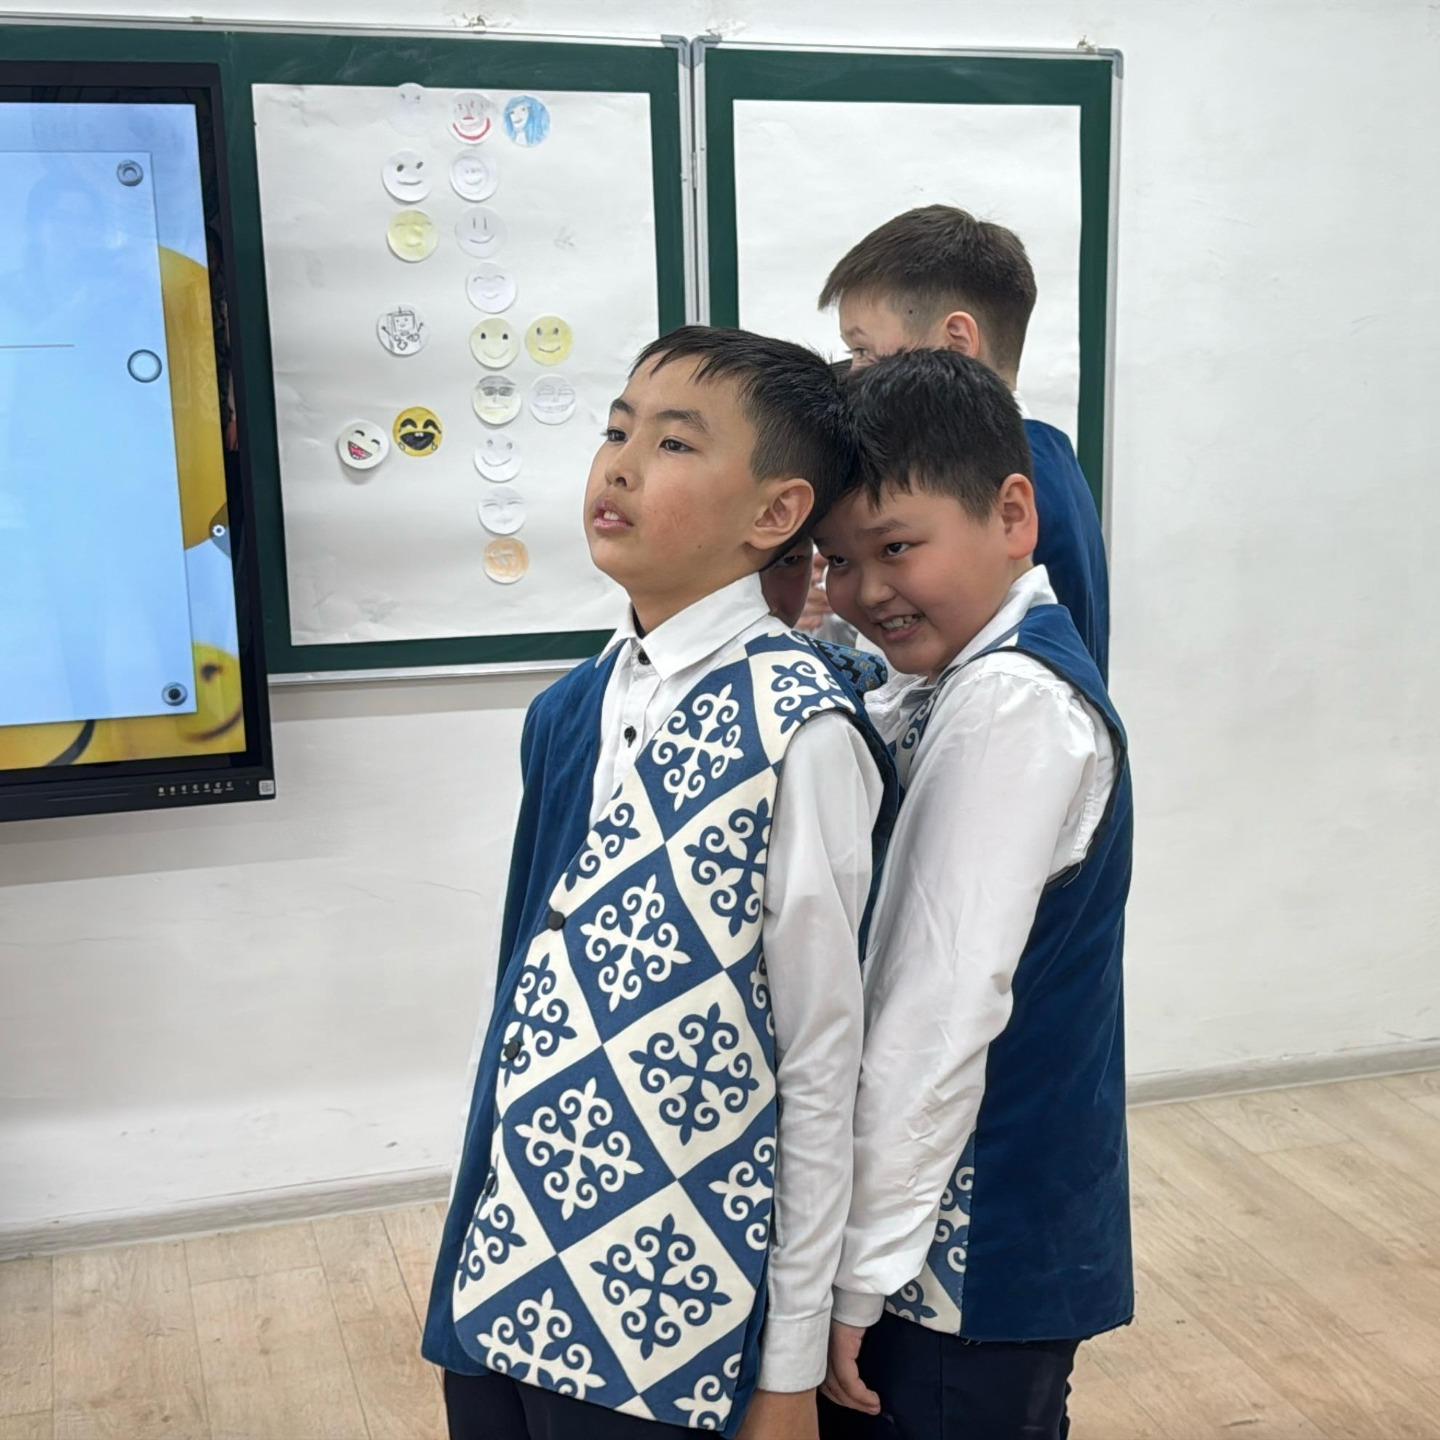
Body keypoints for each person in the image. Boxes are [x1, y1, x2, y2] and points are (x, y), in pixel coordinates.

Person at [423, 326, 897, 1440]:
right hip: (505, 1263)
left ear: (776, 513)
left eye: (676, 443)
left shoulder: (801, 730)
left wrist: (789, 1367)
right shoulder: (575, 706)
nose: (623, 466)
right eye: (617, 431)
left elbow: (820, 1063)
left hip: (668, 1311)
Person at [813, 350, 1134, 1440]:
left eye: (896, 548)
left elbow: (937, 1009)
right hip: (968, 1243)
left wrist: (855, 1275)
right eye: (837, 561)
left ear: (1012, 516)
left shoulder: (1009, 705)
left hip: (968, 1255)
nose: (865, 592)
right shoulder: (968, 674)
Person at [819, 204, 1111, 678]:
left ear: (957, 342)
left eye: (864, 350)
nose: (854, 374)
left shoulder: (1004, 477)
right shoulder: (1048, 453)